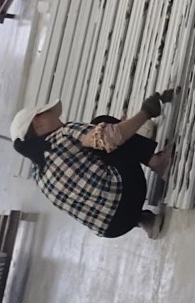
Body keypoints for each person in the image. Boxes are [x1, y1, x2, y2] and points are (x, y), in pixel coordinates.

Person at [10, 90, 177, 240]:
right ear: (38, 123)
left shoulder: (39, 177)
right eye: (46, 112)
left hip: (113, 228)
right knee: (101, 124)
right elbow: (113, 136)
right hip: (130, 194)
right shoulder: (65, 133)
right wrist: (146, 112)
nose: (55, 114)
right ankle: (158, 163)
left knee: (93, 178)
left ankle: (145, 220)